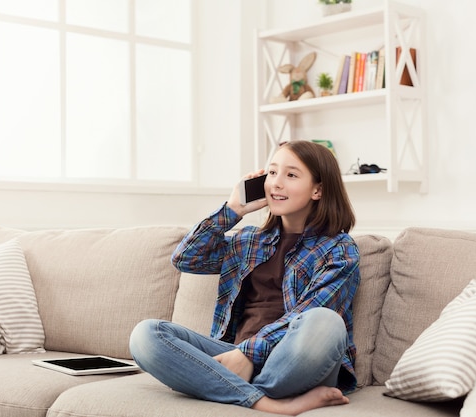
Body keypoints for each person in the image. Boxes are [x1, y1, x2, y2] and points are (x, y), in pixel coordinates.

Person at [129, 140, 360, 416]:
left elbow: (308, 311)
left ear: (318, 190)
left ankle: (222, 387)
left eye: (291, 175)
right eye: (272, 173)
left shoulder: (339, 249)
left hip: (288, 360)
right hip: (233, 354)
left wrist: (249, 353)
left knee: (325, 321)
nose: (276, 183)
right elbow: (186, 258)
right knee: (147, 334)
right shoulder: (248, 241)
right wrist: (233, 209)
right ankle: (267, 403)